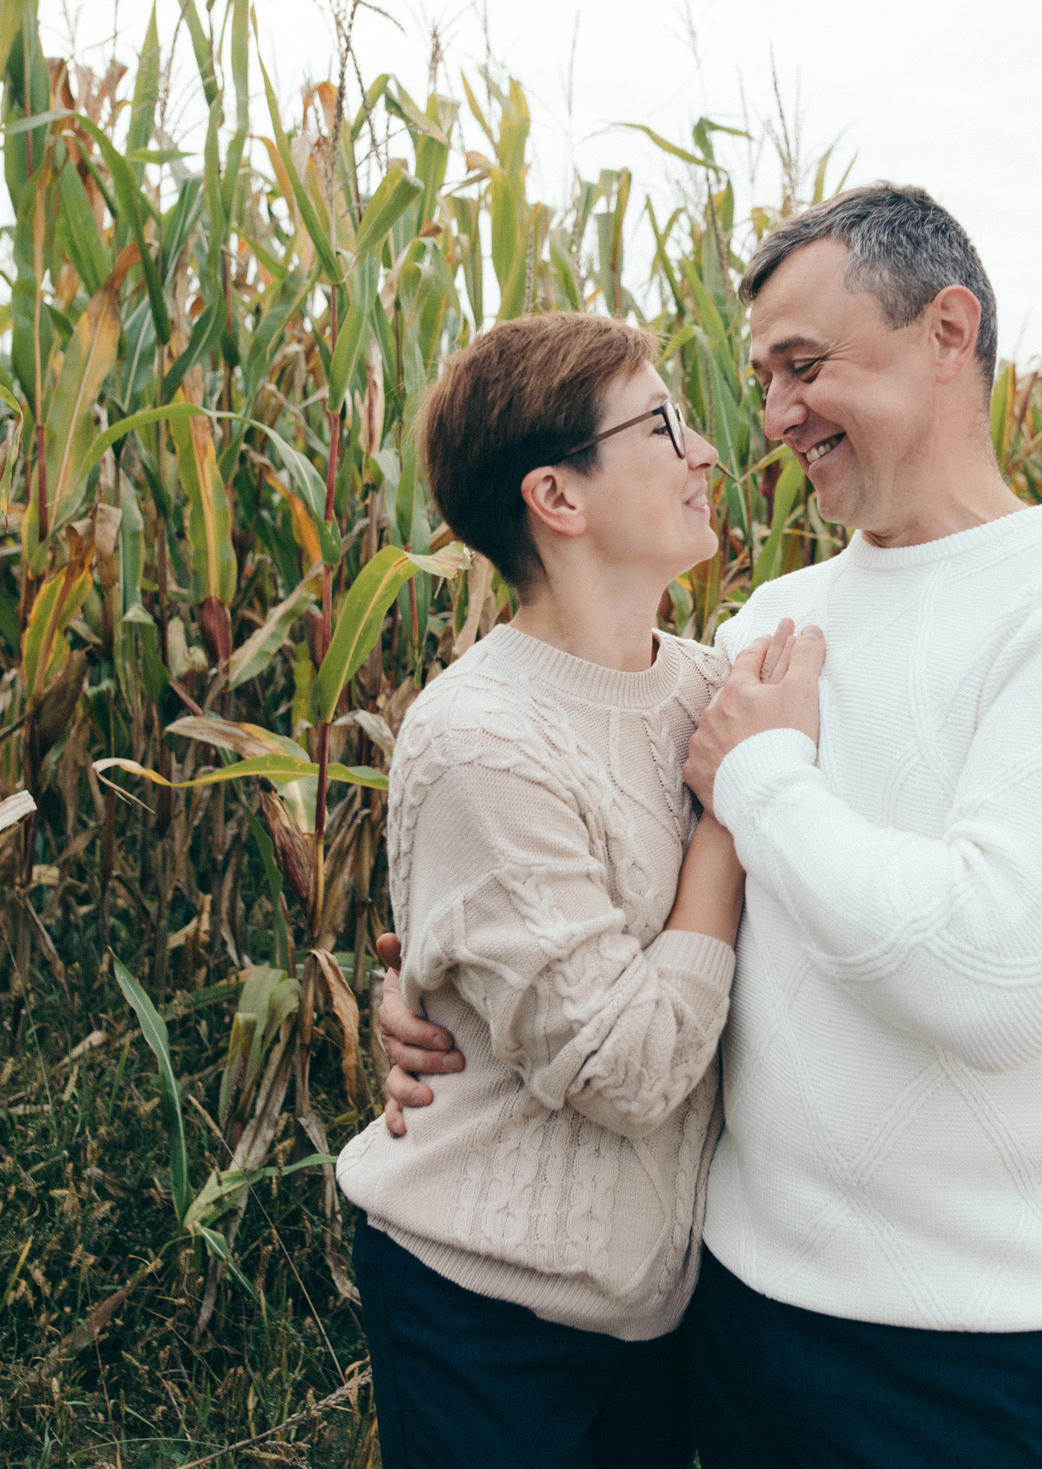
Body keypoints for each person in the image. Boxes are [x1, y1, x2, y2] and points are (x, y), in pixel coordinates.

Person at [378, 184, 1042, 1468]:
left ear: (948, 332)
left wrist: (761, 783)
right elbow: (601, 873)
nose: (769, 419)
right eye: (762, 376)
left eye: (805, 366)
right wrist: (442, 1009)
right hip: (723, 1301)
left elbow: (988, 977)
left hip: (967, 1344)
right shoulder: (762, 623)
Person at [338, 311, 796, 1469]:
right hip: (488, 1300)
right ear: (558, 497)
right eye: (664, 424)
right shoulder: (481, 741)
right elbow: (629, 1071)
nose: (707, 454)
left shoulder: (717, 688)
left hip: (659, 1302)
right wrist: (730, 818)